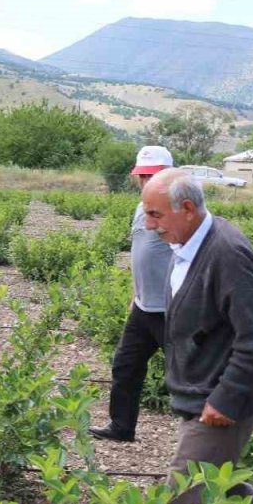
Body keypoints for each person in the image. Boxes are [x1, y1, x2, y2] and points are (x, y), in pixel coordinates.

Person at [141, 168, 253, 504]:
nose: (148, 223)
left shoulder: (226, 254)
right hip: (200, 395)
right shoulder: (187, 245)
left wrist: (226, 397)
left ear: (187, 208)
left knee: (185, 492)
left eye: (156, 214)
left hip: (220, 402)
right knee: (222, 493)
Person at [90, 145, 175, 442]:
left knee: (190, 378)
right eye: (143, 176)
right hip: (143, 307)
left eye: (153, 176)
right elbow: (142, 255)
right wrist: (135, 293)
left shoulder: (181, 213)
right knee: (126, 365)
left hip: (172, 310)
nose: (146, 182)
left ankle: (207, 447)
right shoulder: (142, 208)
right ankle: (121, 427)